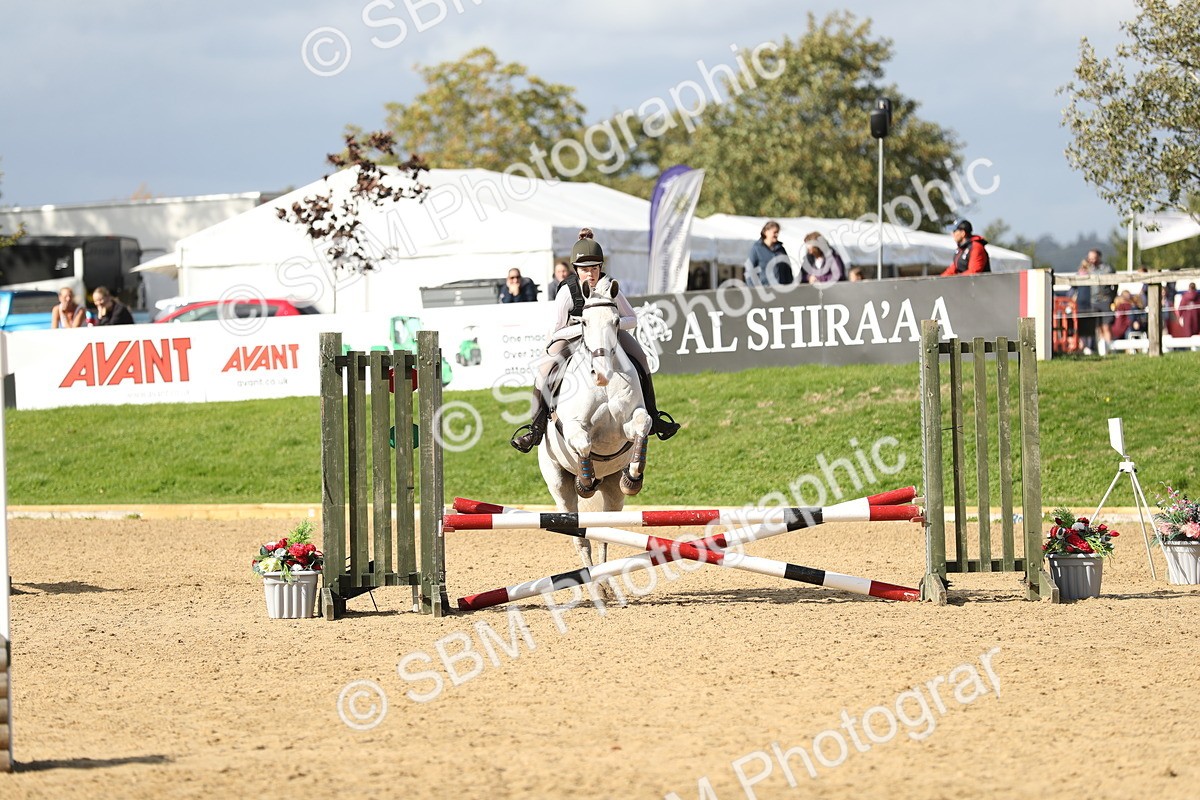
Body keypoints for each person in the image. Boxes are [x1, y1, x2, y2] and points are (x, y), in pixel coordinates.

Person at [510, 228, 679, 453]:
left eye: (594, 269)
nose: (590, 274)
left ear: (601, 268)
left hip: (609, 335)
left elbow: (632, 318)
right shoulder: (567, 292)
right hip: (571, 336)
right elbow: (558, 327)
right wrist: (583, 327)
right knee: (544, 370)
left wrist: (609, 323)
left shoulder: (610, 287)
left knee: (641, 358)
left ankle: (654, 416)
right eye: (584, 270)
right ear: (576, 269)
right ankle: (535, 428)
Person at [745, 220, 794, 286]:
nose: (776, 235)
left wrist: (789, 286)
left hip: (781, 289)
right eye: (774, 232)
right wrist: (754, 290)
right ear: (766, 232)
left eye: (778, 232)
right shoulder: (756, 249)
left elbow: (787, 270)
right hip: (765, 290)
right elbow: (750, 270)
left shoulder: (781, 249)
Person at [1086, 249, 1116, 355]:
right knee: (1097, 327)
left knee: (1106, 326)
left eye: (1093, 257)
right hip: (1093, 301)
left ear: (1099, 257)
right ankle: (1101, 350)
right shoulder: (1088, 269)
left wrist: (1112, 296)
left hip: (1105, 300)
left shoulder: (1107, 268)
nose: (1091, 260)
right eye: (1090, 258)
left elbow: (1115, 283)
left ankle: (1110, 348)